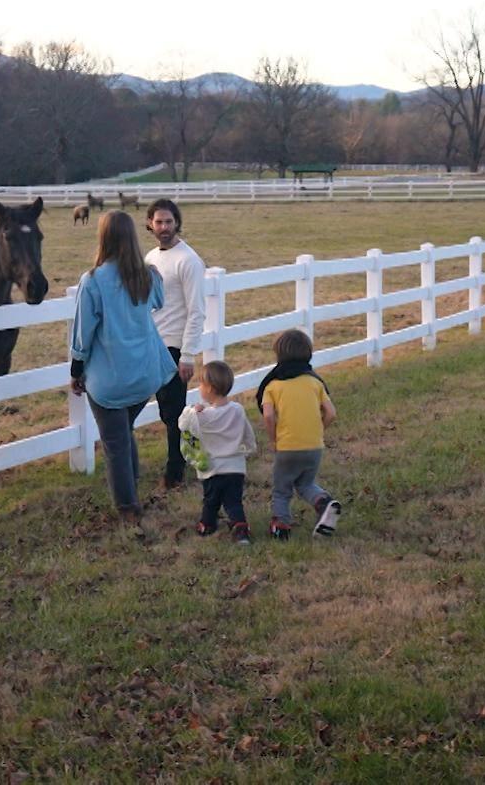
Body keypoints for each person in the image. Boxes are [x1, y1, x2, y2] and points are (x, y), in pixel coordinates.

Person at [69, 210, 177, 521]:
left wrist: (76, 370)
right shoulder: (147, 276)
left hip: (111, 380)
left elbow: (83, 332)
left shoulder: (93, 281)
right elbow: (158, 302)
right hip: (145, 374)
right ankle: (133, 482)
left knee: (115, 441)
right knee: (122, 429)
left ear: (103, 237)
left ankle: (128, 507)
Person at [144, 198, 207, 489]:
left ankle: (175, 472)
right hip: (151, 344)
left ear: (177, 223)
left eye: (169, 221)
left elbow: (196, 311)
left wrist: (188, 354)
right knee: (165, 410)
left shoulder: (188, 260)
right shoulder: (150, 258)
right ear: (150, 224)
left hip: (174, 346)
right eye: (159, 222)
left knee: (172, 411)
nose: (164, 227)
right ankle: (190, 453)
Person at [257, 328, 340, 540]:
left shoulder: (272, 386)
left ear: (279, 354)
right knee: (305, 484)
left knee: (282, 489)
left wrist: (273, 440)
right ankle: (323, 502)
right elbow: (331, 413)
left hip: (287, 446)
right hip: (314, 446)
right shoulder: (315, 383)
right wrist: (318, 430)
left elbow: (268, 416)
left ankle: (281, 526)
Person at [179, 360, 256, 543]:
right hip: (235, 467)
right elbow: (247, 433)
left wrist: (192, 411)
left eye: (201, 384)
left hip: (213, 468)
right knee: (233, 501)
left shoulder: (203, 416)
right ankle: (240, 528)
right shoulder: (237, 410)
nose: (199, 388)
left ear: (210, 388)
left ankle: (207, 524)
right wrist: (249, 447)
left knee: (211, 500)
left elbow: (182, 424)